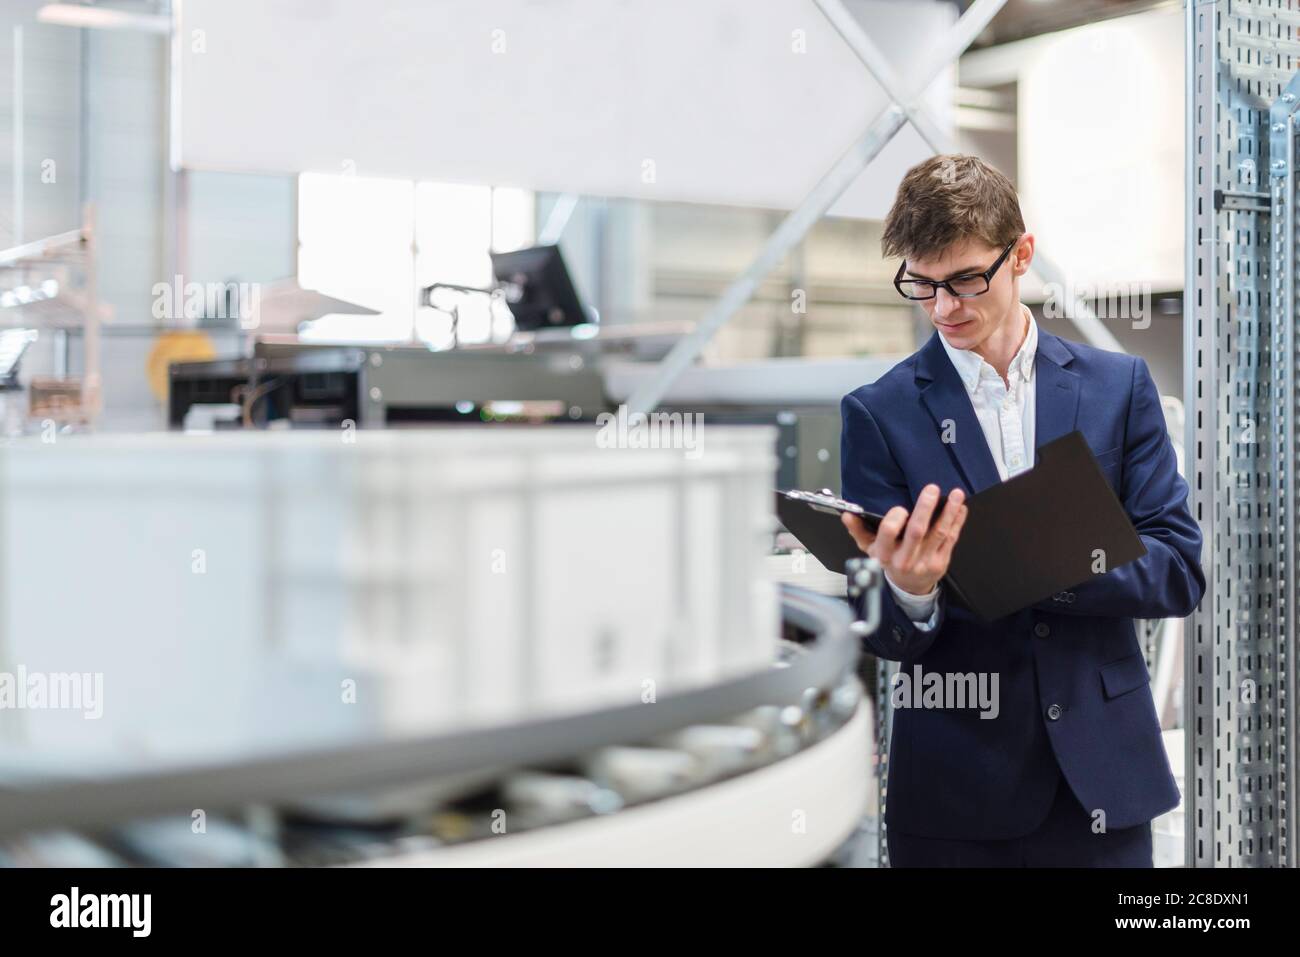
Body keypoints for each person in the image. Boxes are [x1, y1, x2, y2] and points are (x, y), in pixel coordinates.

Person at [840, 154, 1205, 867]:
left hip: (1103, 784)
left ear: (1022, 257)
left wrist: (1044, 563)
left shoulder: (1117, 388)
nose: (945, 307)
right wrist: (910, 593)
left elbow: (1179, 571)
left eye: (966, 280)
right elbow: (880, 632)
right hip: (956, 798)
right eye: (923, 284)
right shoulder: (878, 414)